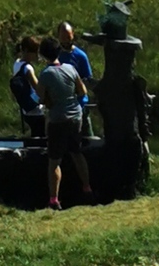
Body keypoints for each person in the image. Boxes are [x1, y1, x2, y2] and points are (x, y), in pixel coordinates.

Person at [37, 48, 90, 209]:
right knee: (76, 153)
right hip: (75, 117)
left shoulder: (45, 74)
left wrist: (50, 100)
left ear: (43, 55)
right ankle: (87, 189)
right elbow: (83, 91)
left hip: (58, 120)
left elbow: (40, 96)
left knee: (54, 161)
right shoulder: (70, 68)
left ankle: (54, 200)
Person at [11, 37, 45, 139]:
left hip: (25, 109)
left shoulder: (17, 63)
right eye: (34, 52)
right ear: (26, 51)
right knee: (40, 137)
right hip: (36, 109)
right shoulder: (28, 69)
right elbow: (38, 88)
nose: (36, 56)